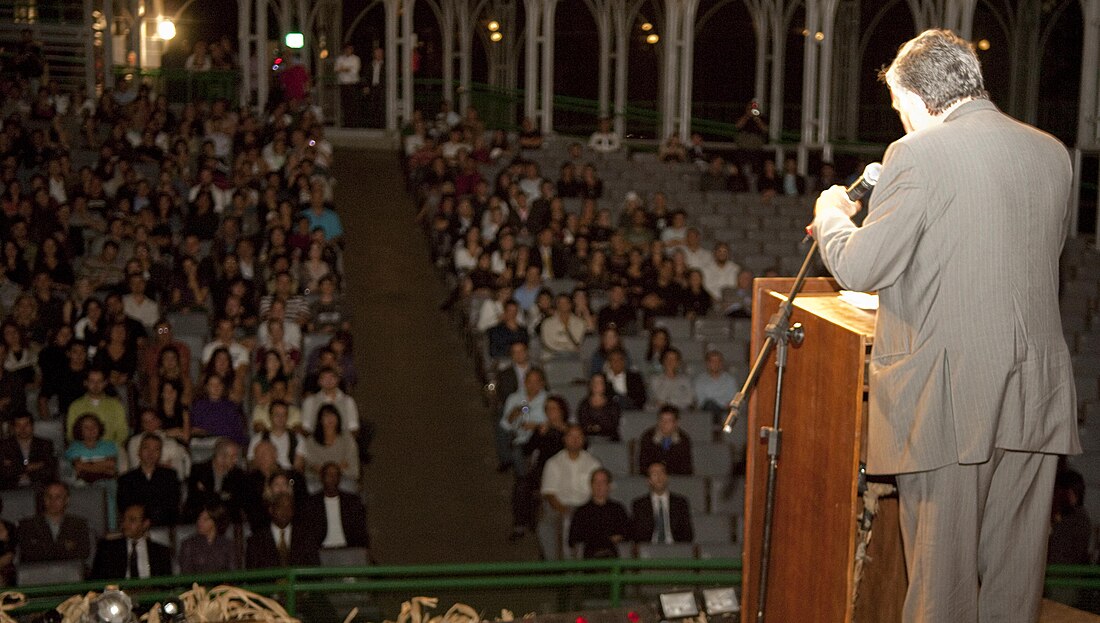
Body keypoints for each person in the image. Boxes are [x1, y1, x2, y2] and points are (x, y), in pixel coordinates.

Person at [810, 29, 1080, 622]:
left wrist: (830, 214)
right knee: (1013, 591)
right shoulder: (1052, 153)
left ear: (925, 99)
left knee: (943, 591)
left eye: (901, 108)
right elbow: (1020, 261)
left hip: (948, 401)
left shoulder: (919, 153)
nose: (902, 123)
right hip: (1033, 398)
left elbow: (860, 264)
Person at [539, 425, 602, 560]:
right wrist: (564, 510)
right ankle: (555, 564)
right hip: (559, 506)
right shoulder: (553, 463)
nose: (575, 440)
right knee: (546, 526)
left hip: (586, 507)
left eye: (578, 437)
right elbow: (549, 493)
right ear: (564, 439)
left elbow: (598, 490)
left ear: (584, 440)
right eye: (571, 436)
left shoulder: (593, 463)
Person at [89, 503, 172, 580]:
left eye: (132, 520)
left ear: (145, 524)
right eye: (124, 519)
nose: (125, 524)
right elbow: (96, 582)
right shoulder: (108, 549)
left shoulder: (161, 552)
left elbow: (167, 585)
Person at [17, 481, 91, 566]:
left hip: (70, 572)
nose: (52, 501)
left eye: (58, 497)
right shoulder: (28, 525)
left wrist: (46, 548)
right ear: (44, 499)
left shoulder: (79, 524)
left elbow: (83, 553)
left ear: (67, 500)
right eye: (49, 497)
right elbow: (29, 554)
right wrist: (64, 547)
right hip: (38, 574)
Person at [116, 434, 181, 527]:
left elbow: (172, 505)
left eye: (156, 449)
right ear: (139, 451)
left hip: (163, 526)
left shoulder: (170, 476)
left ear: (160, 454)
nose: (151, 453)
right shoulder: (126, 479)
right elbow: (124, 507)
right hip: (136, 527)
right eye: (146, 448)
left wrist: (152, 520)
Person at [245, 492, 321, 568]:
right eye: (280, 507)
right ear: (271, 510)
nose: (285, 512)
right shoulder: (256, 541)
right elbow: (252, 572)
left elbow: (314, 568)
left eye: (289, 507)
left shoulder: (306, 537)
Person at [304, 462, 370, 549]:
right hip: (321, 551)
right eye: (329, 475)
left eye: (336, 475)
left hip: (348, 550)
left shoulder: (352, 502)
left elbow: (360, 530)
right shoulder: (312, 503)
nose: (332, 478)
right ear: (322, 478)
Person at [568, 468, 630, 558]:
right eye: (595, 482)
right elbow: (573, 539)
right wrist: (607, 539)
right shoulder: (581, 512)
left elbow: (626, 534)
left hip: (613, 555)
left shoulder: (618, 509)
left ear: (608, 486)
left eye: (603, 482)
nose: (599, 485)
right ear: (591, 485)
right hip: (589, 556)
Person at [184, 438, 249, 522]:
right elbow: (195, 499)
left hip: (227, 520)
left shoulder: (238, 474)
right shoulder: (198, 470)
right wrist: (221, 496)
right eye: (233, 456)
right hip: (199, 518)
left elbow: (236, 502)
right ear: (221, 457)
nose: (236, 460)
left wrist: (210, 493)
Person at [630, 462, 693, 543]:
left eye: (662, 472)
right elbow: (636, 535)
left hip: (675, 548)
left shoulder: (680, 503)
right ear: (648, 480)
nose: (659, 477)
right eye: (654, 474)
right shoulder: (639, 505)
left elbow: (688, 534)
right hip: (649, 549)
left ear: (667, 477)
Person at [0, 411, 56, 489]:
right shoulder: (4, 446)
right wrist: (31, 467)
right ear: (13, 427)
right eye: (18, 425)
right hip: (11, 489)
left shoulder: (45, 444)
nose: (23, 429)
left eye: (26, 424)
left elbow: (49, 471)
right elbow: (3, 472)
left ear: (32, 426)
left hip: (38, 487)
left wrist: (15, 467)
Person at [178, 504, 237, 574]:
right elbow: (186, 573)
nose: (200, 522)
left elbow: (233, 571)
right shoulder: (188, 544)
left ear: (215, 522)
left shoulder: (228, 545)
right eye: (199, 518)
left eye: (205, 519)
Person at [637, 406, 693, 475]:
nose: (664, 424)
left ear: (676, 423)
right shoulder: (648, 437)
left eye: (669, 420)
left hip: (676, 479)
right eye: (662, 420)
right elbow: (643, 465)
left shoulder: (683, 440)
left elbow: (686, 468)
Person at [334, 44, 362, 127]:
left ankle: (354, 123)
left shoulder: (356, 59)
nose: (348, 51)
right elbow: (336, 69)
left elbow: (355, 71)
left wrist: (344, 69)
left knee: (353, 105)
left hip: (353, 84)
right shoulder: (340, 58)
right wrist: (347, 68)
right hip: (343, 84)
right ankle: (346, 122)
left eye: (350, 49)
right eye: (347, 49)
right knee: (345, 105)